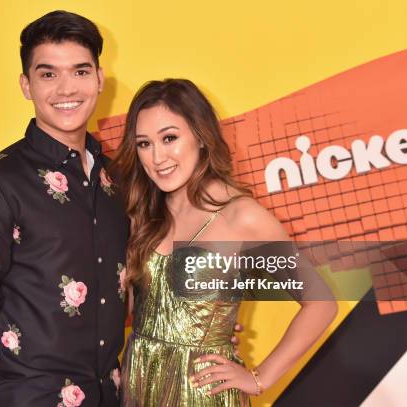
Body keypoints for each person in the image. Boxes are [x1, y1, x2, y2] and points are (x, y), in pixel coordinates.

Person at [0, 11, 129, 406]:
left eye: (79, 72)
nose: (65, 88)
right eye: (48, 74)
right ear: (26, 85)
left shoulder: (120, 183)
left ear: (99, 79)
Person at [113, 79, 338, 406]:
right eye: (144, 144)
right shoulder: (142, 213)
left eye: (170, 138)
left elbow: (320, 303)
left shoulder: (242, 218)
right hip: (138, 382)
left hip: (203, 392)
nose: (157, 157)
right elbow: (131, 309)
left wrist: (260, 378)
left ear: (201, 137)